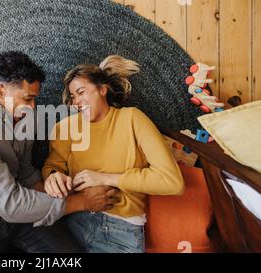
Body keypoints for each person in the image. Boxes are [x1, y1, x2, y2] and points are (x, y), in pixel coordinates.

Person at [0, 51, 120, 253]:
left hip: (20, 212)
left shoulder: (24, 114)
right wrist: (81, 201)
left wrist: (55, 188)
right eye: (28, 98)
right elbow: (10, 205)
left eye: (35, 99)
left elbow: (24, 172)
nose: (33, 107)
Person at [42, 55, 185, 253]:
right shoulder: (65, 128)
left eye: (81, 92)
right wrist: (52, 177)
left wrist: (105, 178)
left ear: (103, 89)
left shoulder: (132, 119)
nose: (76, 102)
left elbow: (172, 182)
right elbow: (52, 167)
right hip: (72, 219)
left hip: (121, 231)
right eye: (73, 96)